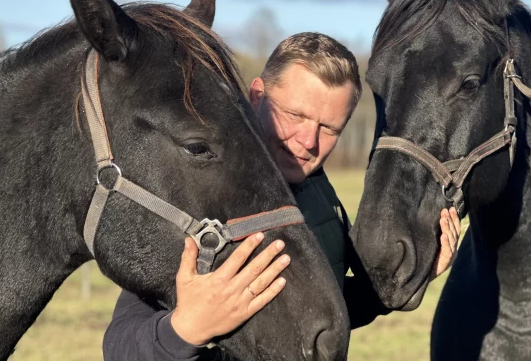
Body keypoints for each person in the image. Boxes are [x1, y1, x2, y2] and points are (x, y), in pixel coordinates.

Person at [102, 32, 461, 360]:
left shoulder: (320, 191)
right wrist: (184, 330)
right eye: (295, 115)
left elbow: (318, 317)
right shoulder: (195, 191)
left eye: (329, 128)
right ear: (257, 96)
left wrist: (406, 277)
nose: (308, 141)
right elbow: (119, 346)